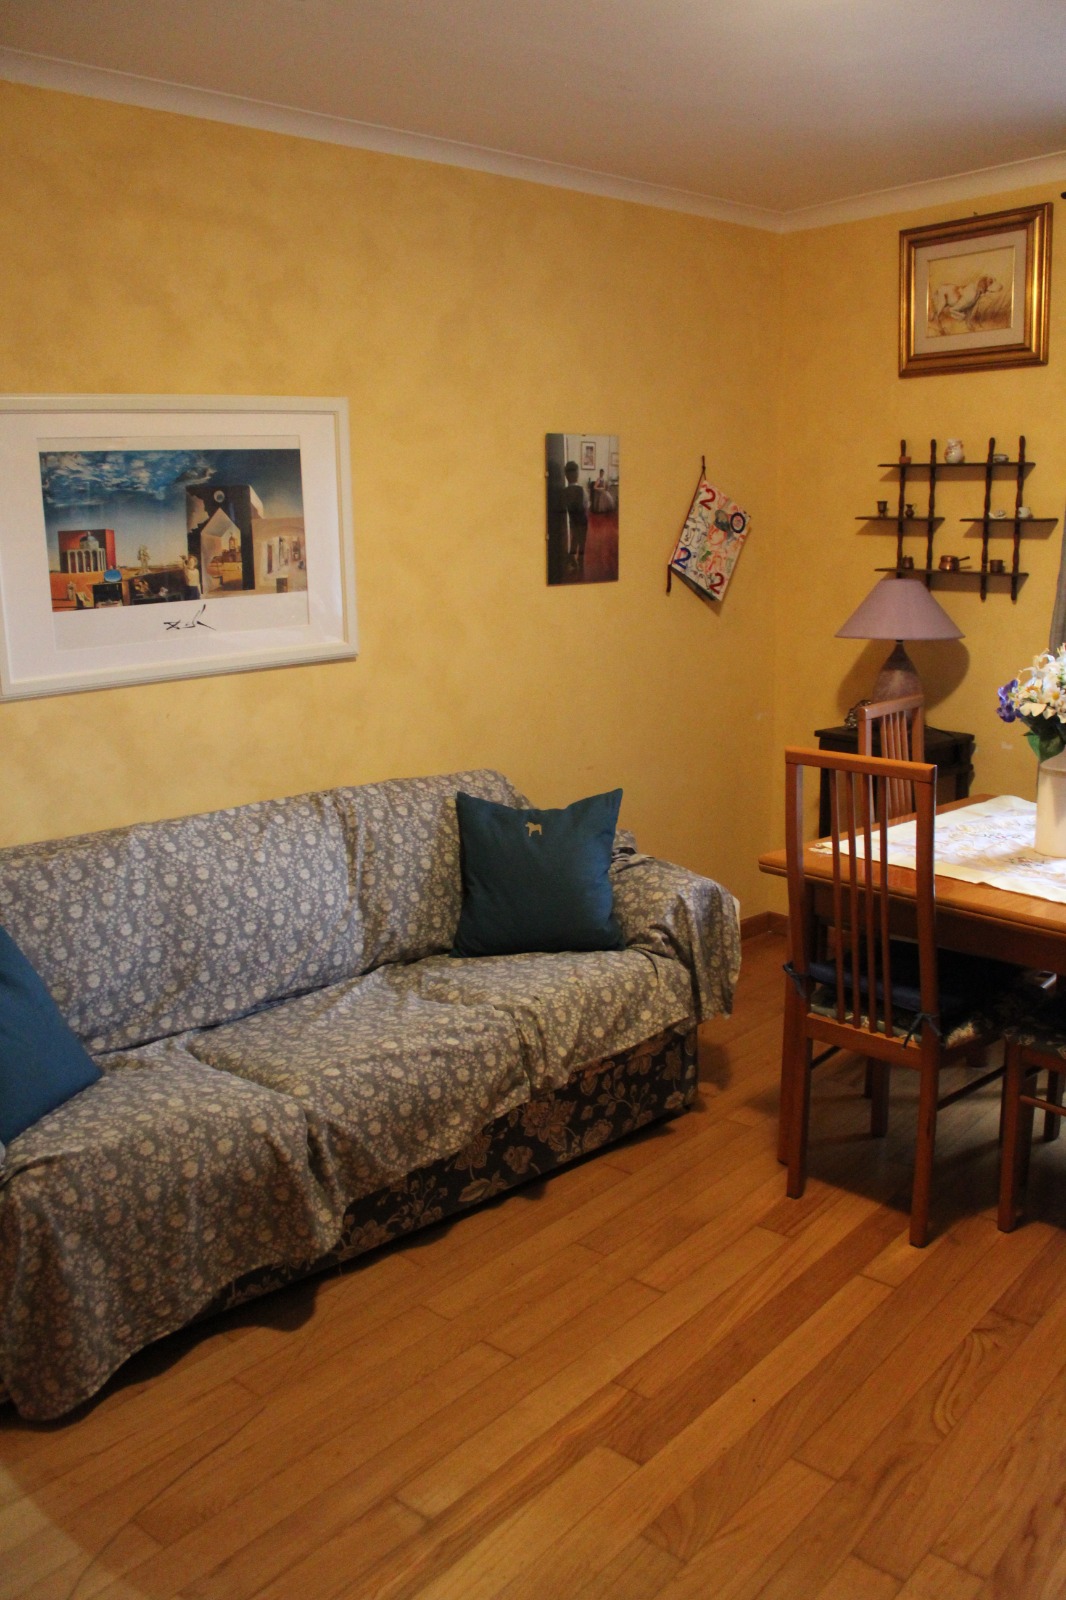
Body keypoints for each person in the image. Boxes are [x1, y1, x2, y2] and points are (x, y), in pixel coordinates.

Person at [563, 461, 589, 571]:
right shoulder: (582, 490)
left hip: (573, 521)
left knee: (574, 539)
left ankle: (571, 559)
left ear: (566, 475)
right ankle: (580, 561)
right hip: (582, 520)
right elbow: (586, 504)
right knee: (582, 542)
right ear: (577, 474)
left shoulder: (564, 492)